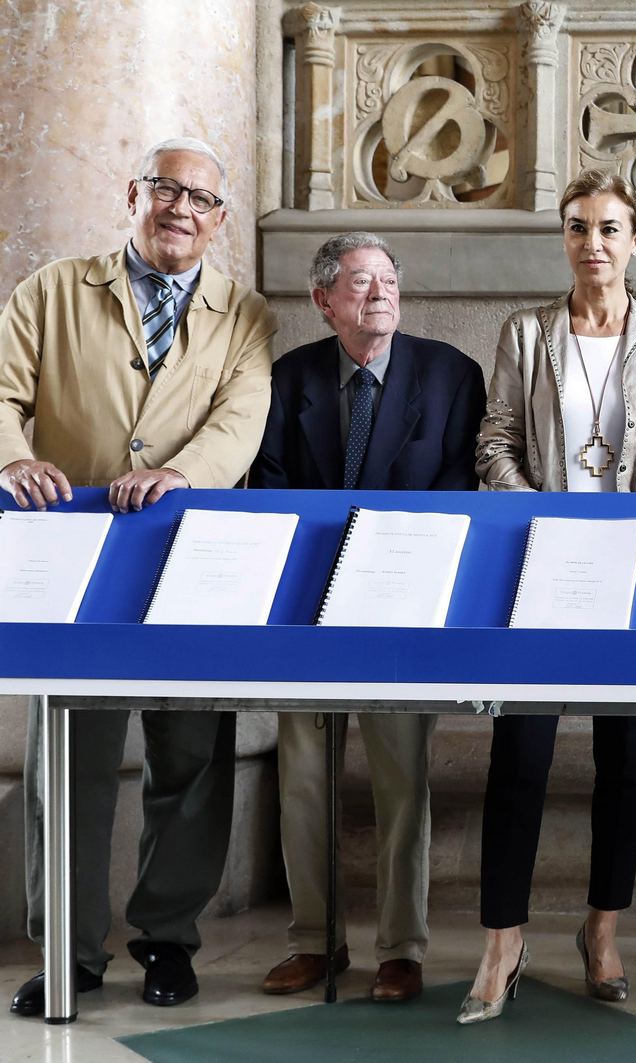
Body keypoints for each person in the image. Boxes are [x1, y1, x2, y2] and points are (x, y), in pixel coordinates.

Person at [2, 137, 274, 1016]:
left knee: (191, 754)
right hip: (74, 553)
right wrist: (11, 458)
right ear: (134, 193)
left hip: (189, 553)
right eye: (166, 190)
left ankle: (168, 939)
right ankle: (70, 952)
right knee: (67, 758)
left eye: (201, 201)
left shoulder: (245, 312)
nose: (181, 211)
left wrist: (183, 473)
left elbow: (242, 417)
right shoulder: (50, 289)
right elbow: (0, 393)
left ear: (219, 221)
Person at [460, 168, 636, 1024]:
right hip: (542, 570)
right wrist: (541, 520)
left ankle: (602, 927)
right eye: (576, 227)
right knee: (518, 756)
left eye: (608, 228)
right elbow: (495, 440)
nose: (592, 242)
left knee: (625, 758)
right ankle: (502, 941)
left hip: (631, 572)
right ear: (561, 238)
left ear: (634, 240)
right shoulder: (525, 333)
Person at [250, 232, 484, 1003]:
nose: (378, 292)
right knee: (305, 779)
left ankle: (401, 949)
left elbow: (456, 494)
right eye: (358, 282)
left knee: (402, 780)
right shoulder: (289, 381)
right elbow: (273, 495)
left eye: (387, 279)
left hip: (401, 611)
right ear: (324, 301)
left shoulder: (452, 377)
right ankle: (315, 942)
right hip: (309, 612)